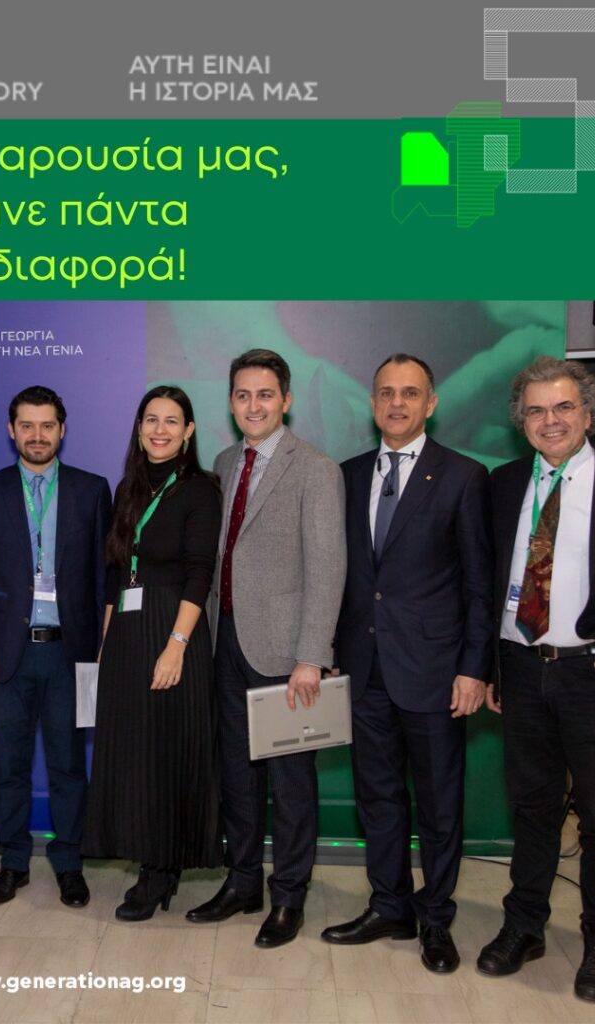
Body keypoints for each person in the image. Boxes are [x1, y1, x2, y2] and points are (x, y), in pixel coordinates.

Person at [322, 354, 493, 974]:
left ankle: (436, 917)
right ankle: (390, 905)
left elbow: (479, 584)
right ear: (373, 404)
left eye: (410, 393)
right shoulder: (347, 475)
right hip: (364, 670)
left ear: (431, 403)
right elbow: (341, 576)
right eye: (387, 393)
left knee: (440, 806)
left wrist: (474, 668)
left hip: (435, 672)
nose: (397, 403)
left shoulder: (463, 476)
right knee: (378, 799)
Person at [478, 356, 595, 1003]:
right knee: (533, 808)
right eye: (536, 410)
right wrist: (489, 664)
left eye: (563, 407)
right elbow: (486, 579)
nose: (550, 420)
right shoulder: (504, 482)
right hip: (520, 667)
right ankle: (524, 926)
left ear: (588, 413)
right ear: (522, 422)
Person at [187, 349, 346, 948]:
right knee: (237, 773)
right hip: (225, 641)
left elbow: (327, 568)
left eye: (265, 394)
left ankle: (289, 897)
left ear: (286, 400)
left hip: (284, 654)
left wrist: (311, 655)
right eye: (243, 395)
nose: (253, 405)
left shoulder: (316, 469)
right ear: (231, 402)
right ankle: (242, 881)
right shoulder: (224, 463)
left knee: (292, 782)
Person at [0, 385, 111, 908]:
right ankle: (13, 862)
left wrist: (102, 652)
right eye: (27, 425)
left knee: (69, 766)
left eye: (47, 425)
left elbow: (104, 580)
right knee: (10, 768)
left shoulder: (92, 490)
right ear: (11, 430)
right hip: (8, 654)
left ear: (62, 430)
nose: (37, 435)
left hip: (70, 653)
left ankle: (69, 862)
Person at [83, 386, 222, 920]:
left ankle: (161, 869)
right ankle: (148, 854)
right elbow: (116, 574)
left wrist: (176, 647)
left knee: (166, 754)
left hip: (172, 630)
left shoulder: (200, 489)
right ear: (139, 428)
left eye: (171, 421)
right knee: (135, 756)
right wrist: (106, 647)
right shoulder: (129, 487)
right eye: (150, 420)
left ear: (189, 431)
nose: (159, 430)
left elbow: (199, 573)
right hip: (127, 633)